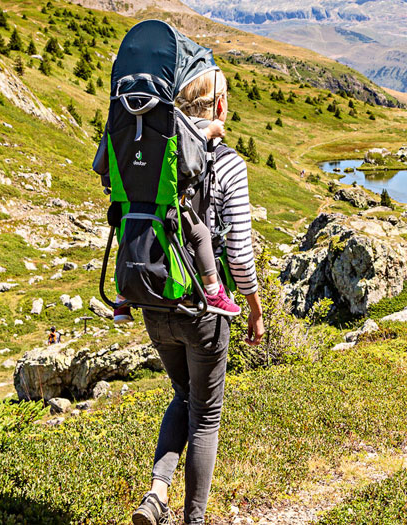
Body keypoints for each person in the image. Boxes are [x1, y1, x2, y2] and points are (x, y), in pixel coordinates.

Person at [131, 68, 265, 525]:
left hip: (154, 301)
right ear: (221, 107)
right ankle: (195, 520)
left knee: (183, 396)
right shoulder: (228, 163)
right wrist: (253, 306)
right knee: (205, 417)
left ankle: (156, 493)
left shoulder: (158, 157)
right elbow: (241, 256)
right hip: (203, 309)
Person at [112, 118, 240, 323]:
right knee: (201, 234)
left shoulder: (119, 118)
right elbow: (190, 159)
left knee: (128, 232)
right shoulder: (168, 116)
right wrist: (209, 132)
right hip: (162, 202)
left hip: (129, 202)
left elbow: (102, 165)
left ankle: (122, 297)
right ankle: (213, 292)